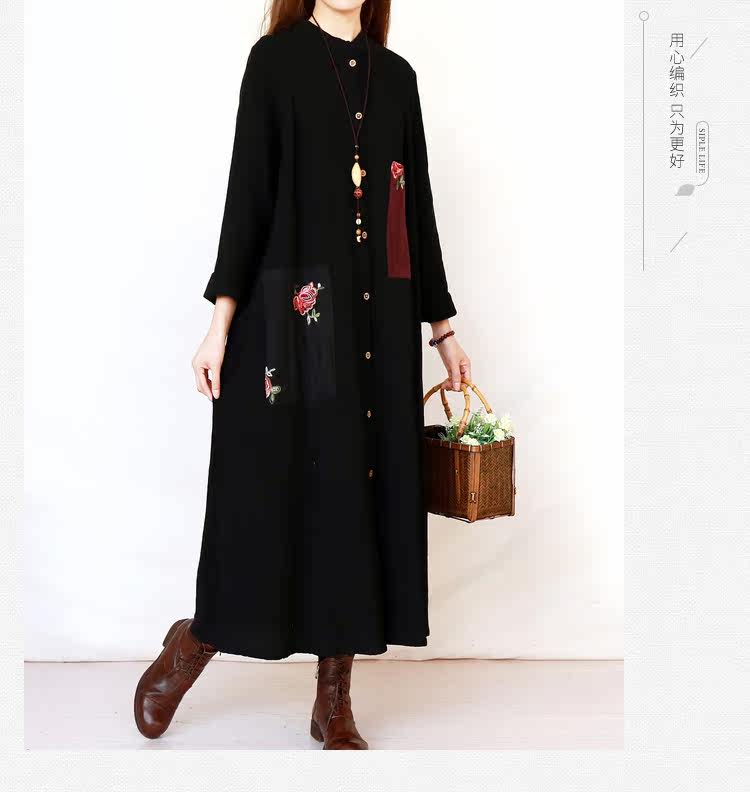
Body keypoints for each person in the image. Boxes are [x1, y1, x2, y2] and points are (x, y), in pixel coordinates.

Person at [134, 0, 470, 750]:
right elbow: (247, 198)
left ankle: (333, 697)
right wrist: (219, 327)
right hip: (296, 314)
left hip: (377, 324)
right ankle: (196, 641)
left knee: (356, 496)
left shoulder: (397, 78)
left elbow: (413, 211)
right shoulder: (276, 62)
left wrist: (442, 330)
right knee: (267, 495)